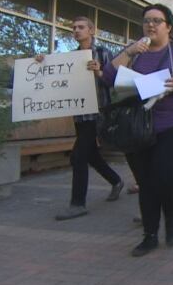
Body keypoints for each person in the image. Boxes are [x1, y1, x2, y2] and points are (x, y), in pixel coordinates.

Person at [101, 3, 173, 257]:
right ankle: (149, 235)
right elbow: (107, 78)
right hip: (138, 127)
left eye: (157, 20)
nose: (151, 25)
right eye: (147, 20)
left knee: (164, 175)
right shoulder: (135, 53)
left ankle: (171, 219)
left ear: (168, 27)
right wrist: (128, 51)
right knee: (146, 182)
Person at [52, 16, 124, 221]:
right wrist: (42, 62)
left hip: (98, 113)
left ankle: (77, 204)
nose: (76, 30)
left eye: (81, 27)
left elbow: (116, 82)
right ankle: (116, 180)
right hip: (80, 115)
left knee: (78, 156)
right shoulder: (70, 57)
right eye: (74, 28)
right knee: (90, 154)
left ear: (92, 30)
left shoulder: (103, 53)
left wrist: (99, 71)